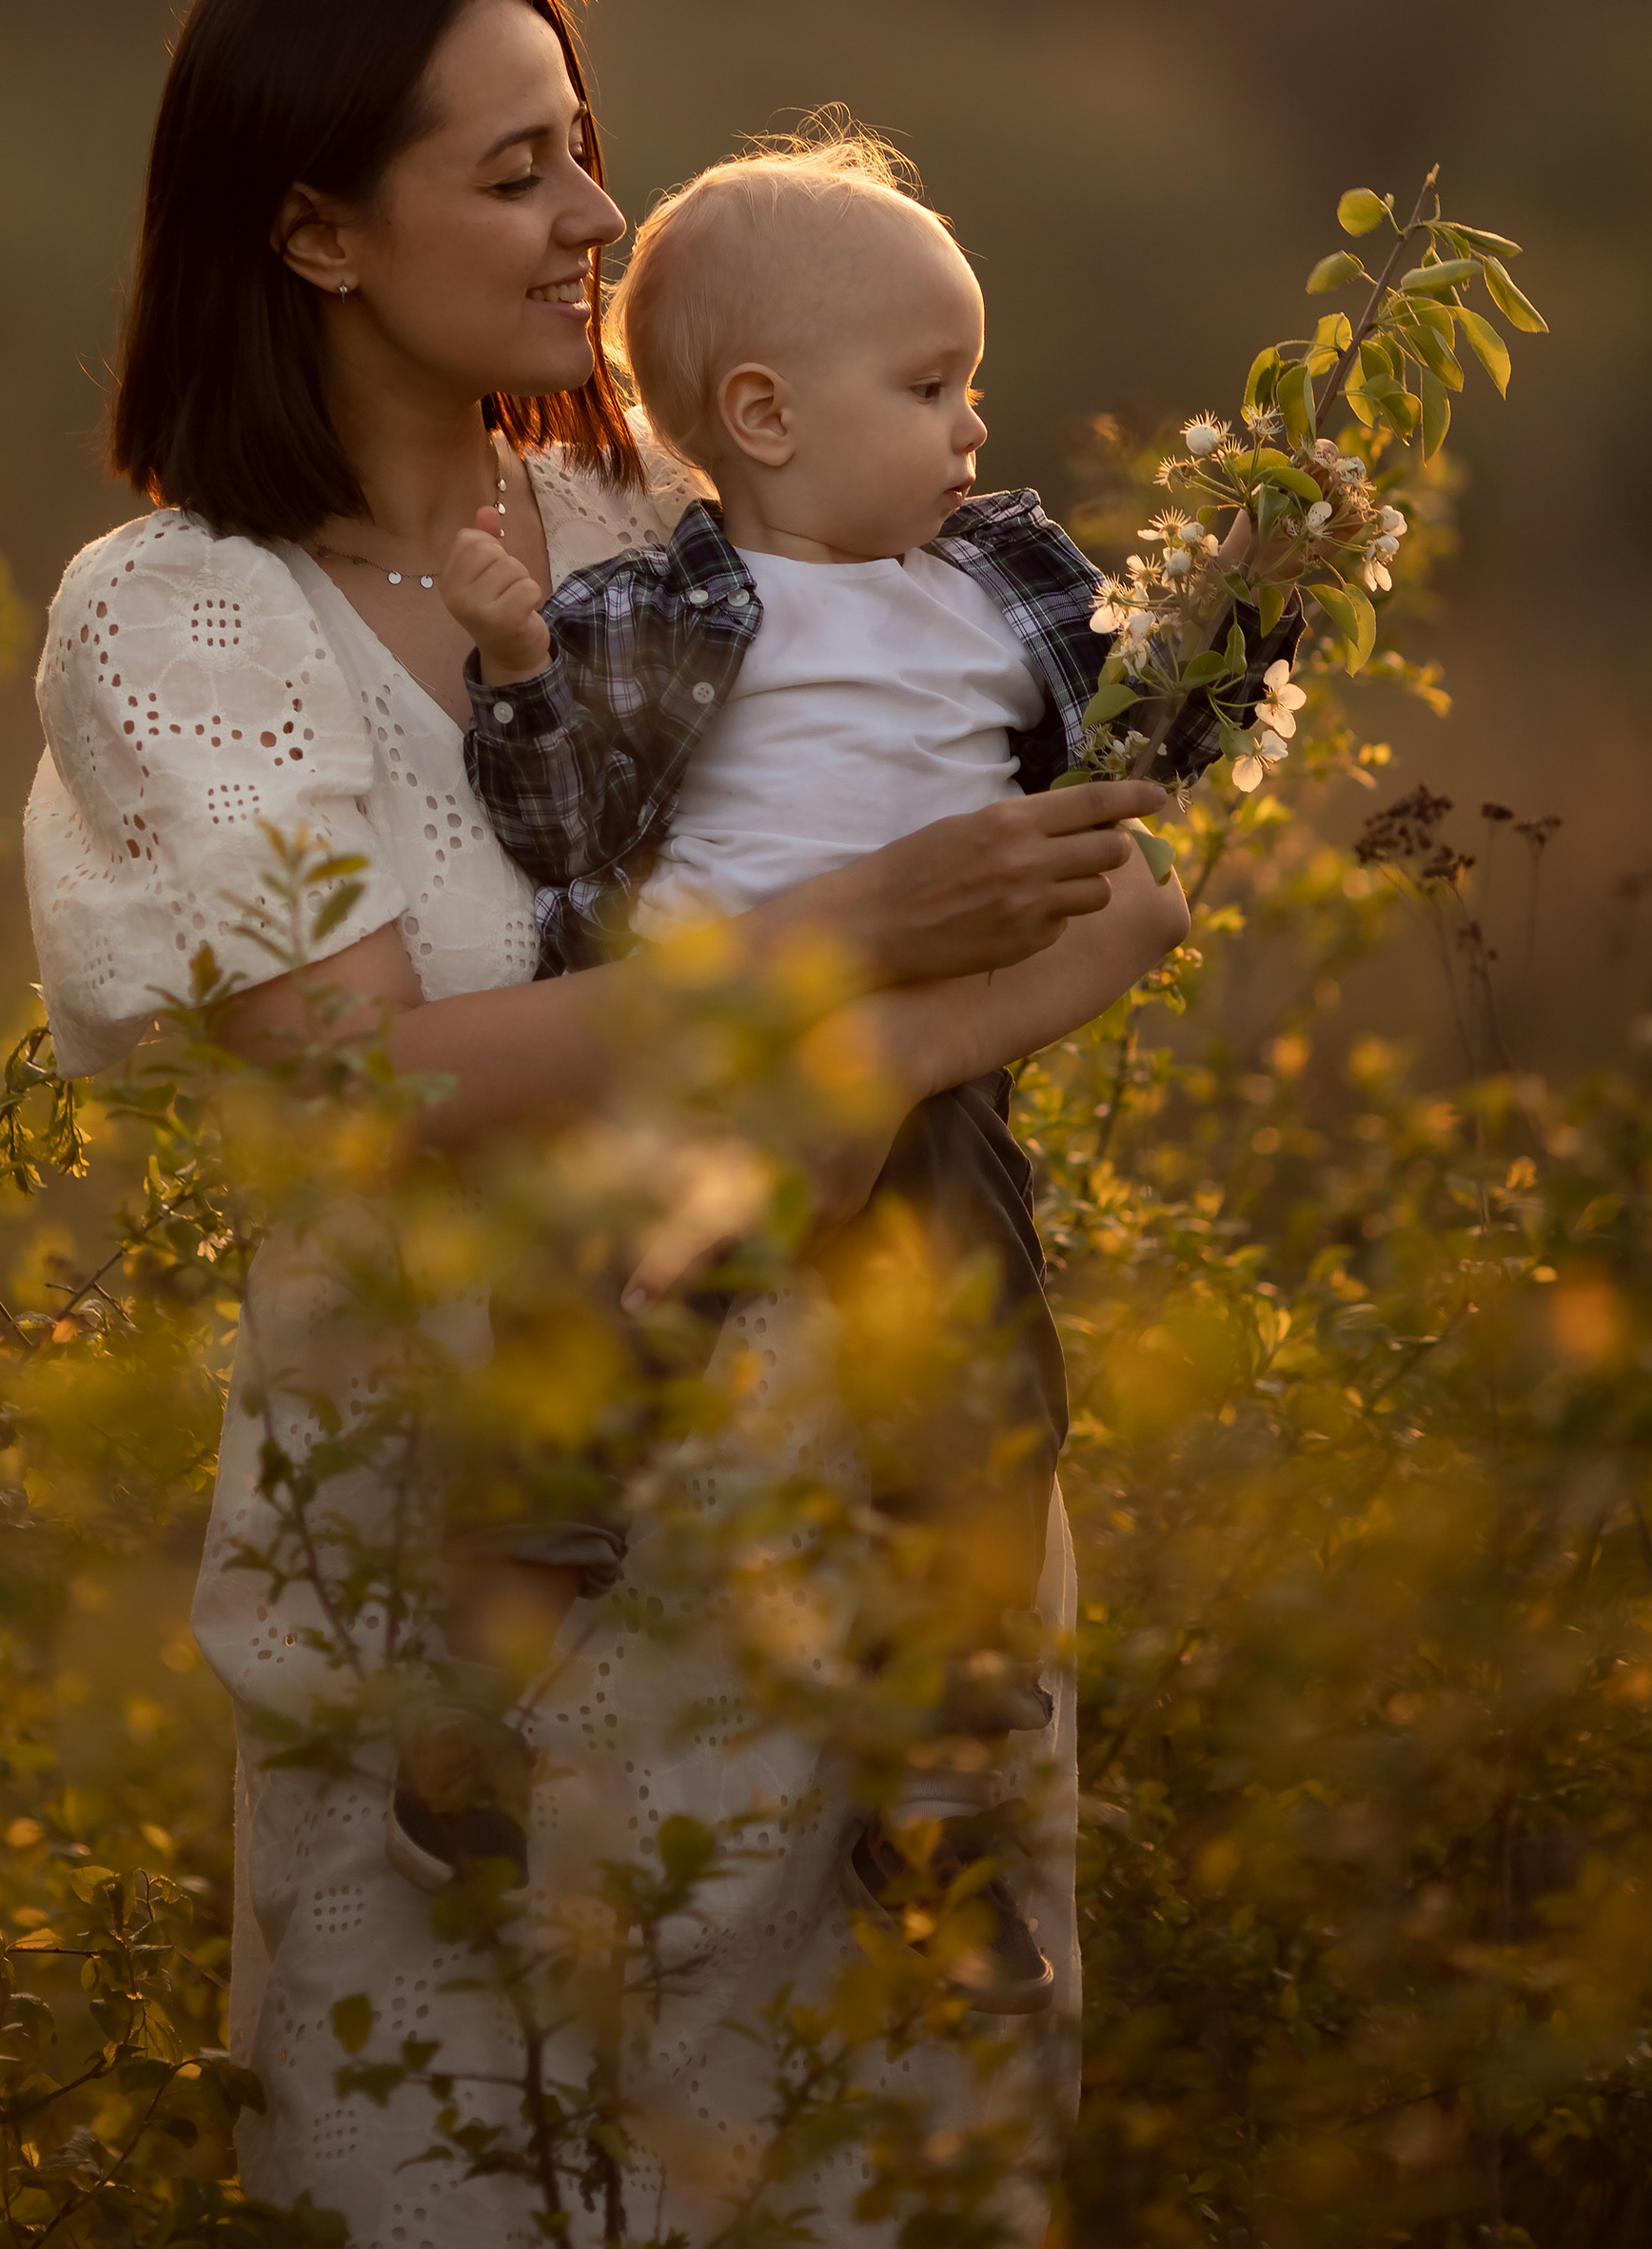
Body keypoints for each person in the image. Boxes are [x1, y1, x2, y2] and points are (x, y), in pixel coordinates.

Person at [24, 0, 1167, 2245]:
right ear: (316, 231)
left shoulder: (697, 525)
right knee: (463, 2159)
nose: (592, 223)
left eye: (587, 152)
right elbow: (352, 1082)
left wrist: (885, 1071)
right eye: (517, 169)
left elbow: (1121, 876)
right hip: (460, 1573)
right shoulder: (180, 616)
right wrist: (832, 958)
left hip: (840, 1533)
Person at [430, 125, 1192, 2014]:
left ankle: (932, 1803)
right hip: (703, 1063)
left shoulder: (997, 583)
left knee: (973, 1421)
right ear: (759, 414)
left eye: (971, 384)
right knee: (591, 1368)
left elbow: (1144, 768)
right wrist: (516, 666)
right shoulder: (652, 614)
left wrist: (1244, 607)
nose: (964, 426)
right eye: (927, 385)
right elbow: (555, 824)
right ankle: (464, 1708)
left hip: (924, 1096)